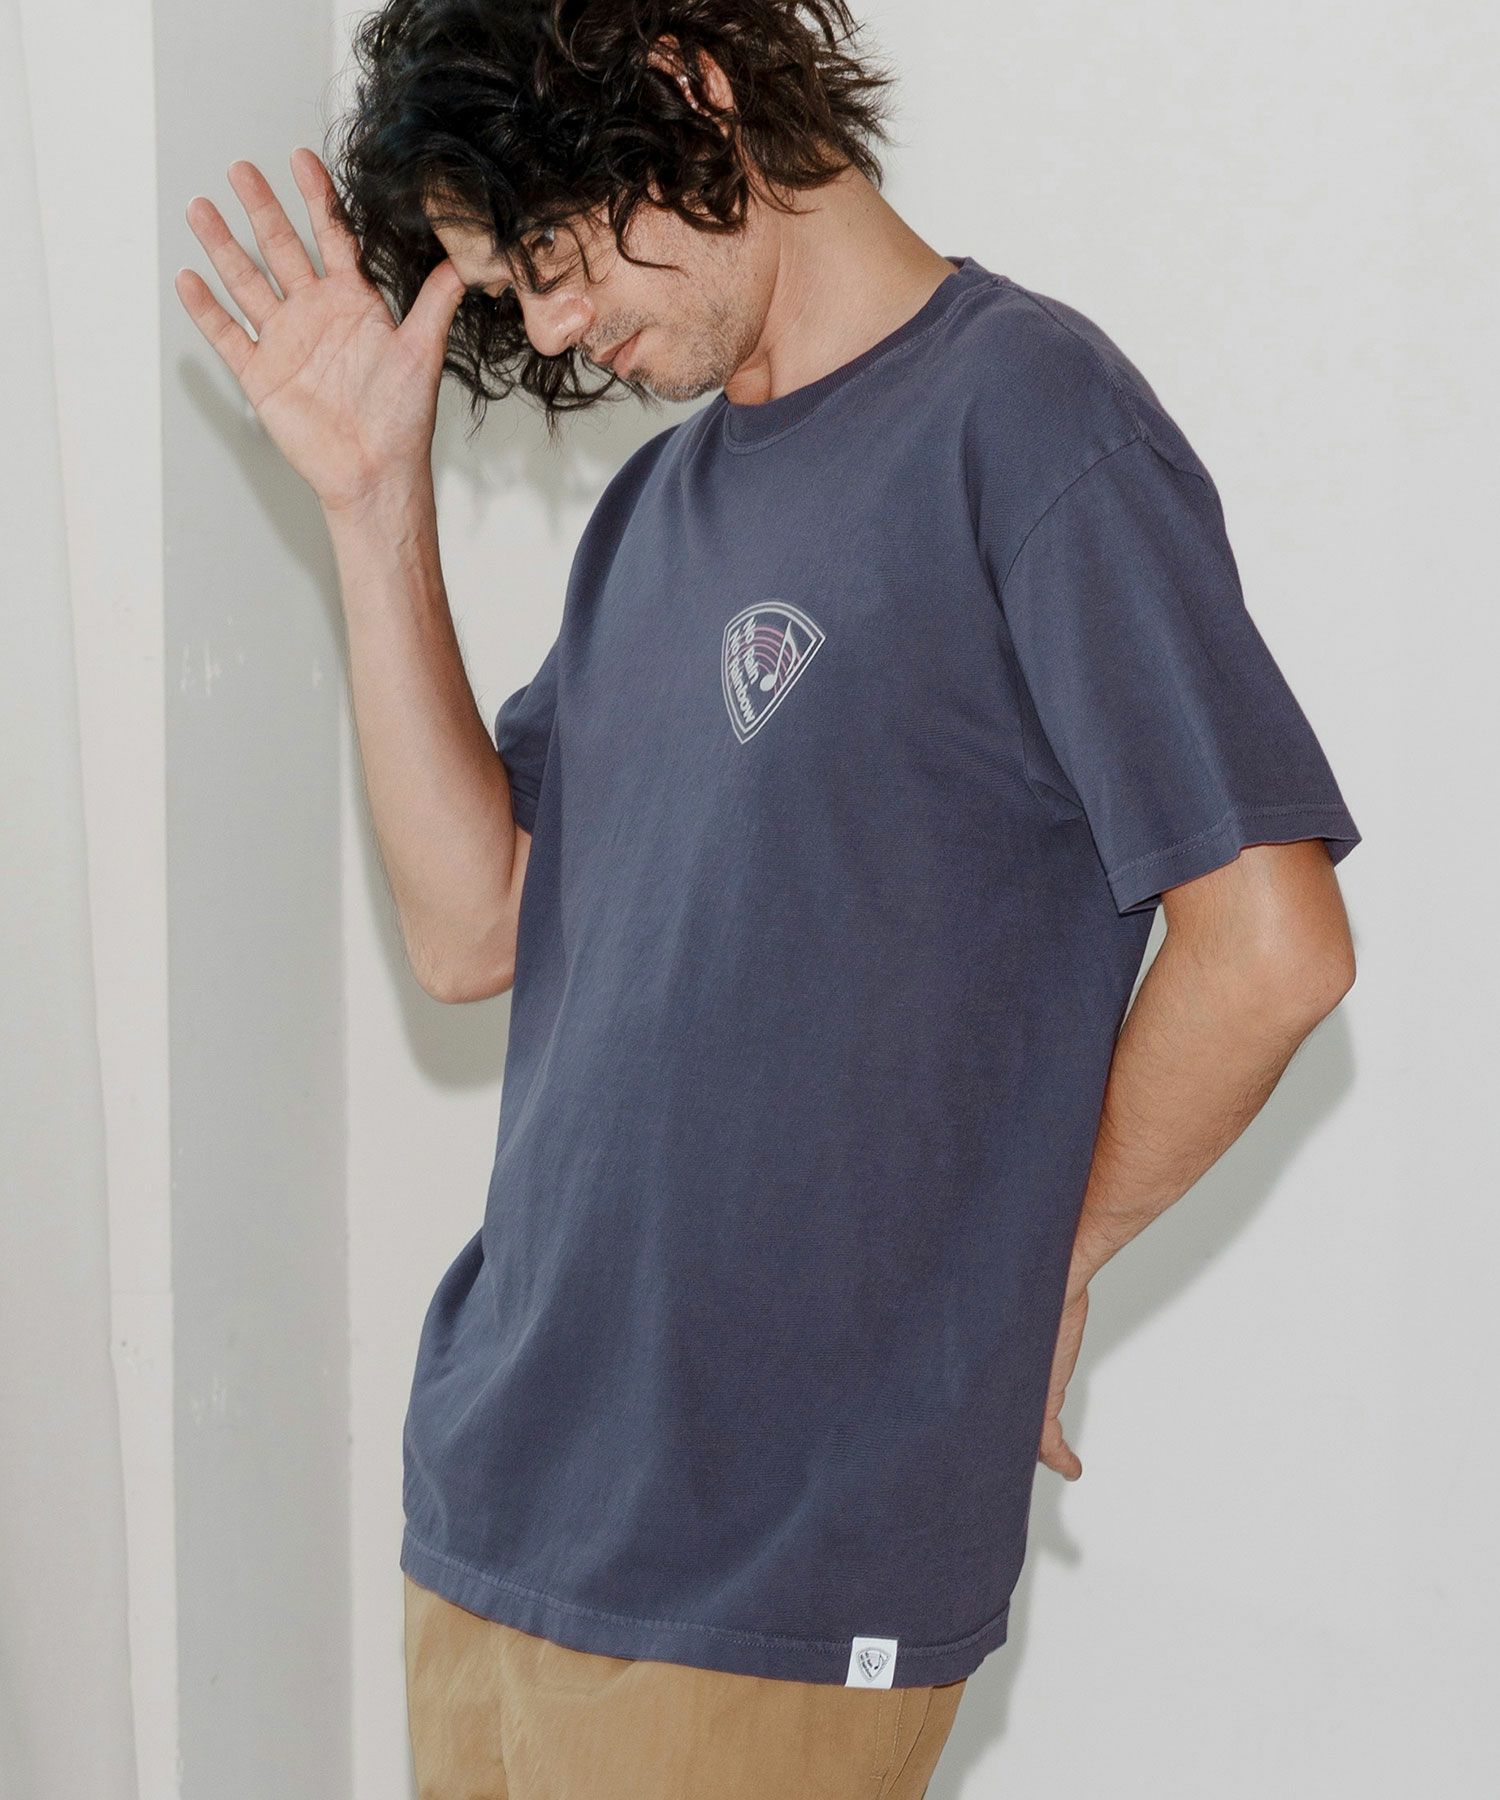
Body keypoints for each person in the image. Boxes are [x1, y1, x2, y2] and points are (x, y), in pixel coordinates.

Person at [174, 2, 1361, 1793]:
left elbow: (1271, 947)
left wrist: (1052, 1253)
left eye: (551, 256)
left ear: (686, 83)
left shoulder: (1026, 416)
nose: (548, 327)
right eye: (512, 291)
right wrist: (368, 502)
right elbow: (470, 930)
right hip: (504, 1511)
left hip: (768, 1563)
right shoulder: (656, 513)